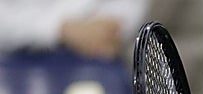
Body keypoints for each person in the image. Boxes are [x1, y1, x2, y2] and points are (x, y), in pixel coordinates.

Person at [0, 0, 147, 58]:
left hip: (102, 58)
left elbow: (132, 8)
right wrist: (62, 28)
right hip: (16, 66)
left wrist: (112, 29)